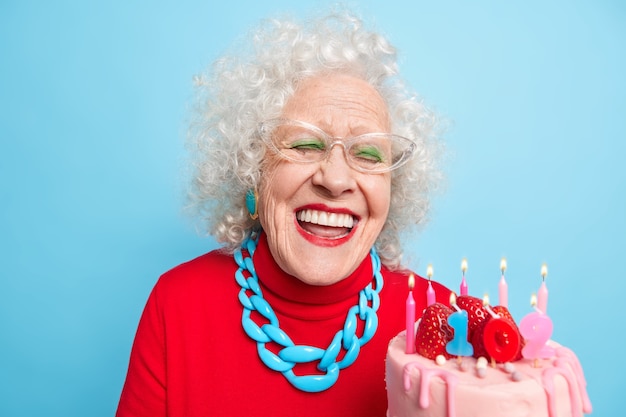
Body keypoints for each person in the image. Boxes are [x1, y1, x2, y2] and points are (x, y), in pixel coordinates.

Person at [116, 8, 451, 417]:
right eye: (306, 146)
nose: (336, 178)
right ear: (254, 171)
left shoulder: (440, 320)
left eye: (367, 154)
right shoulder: (178, 304)